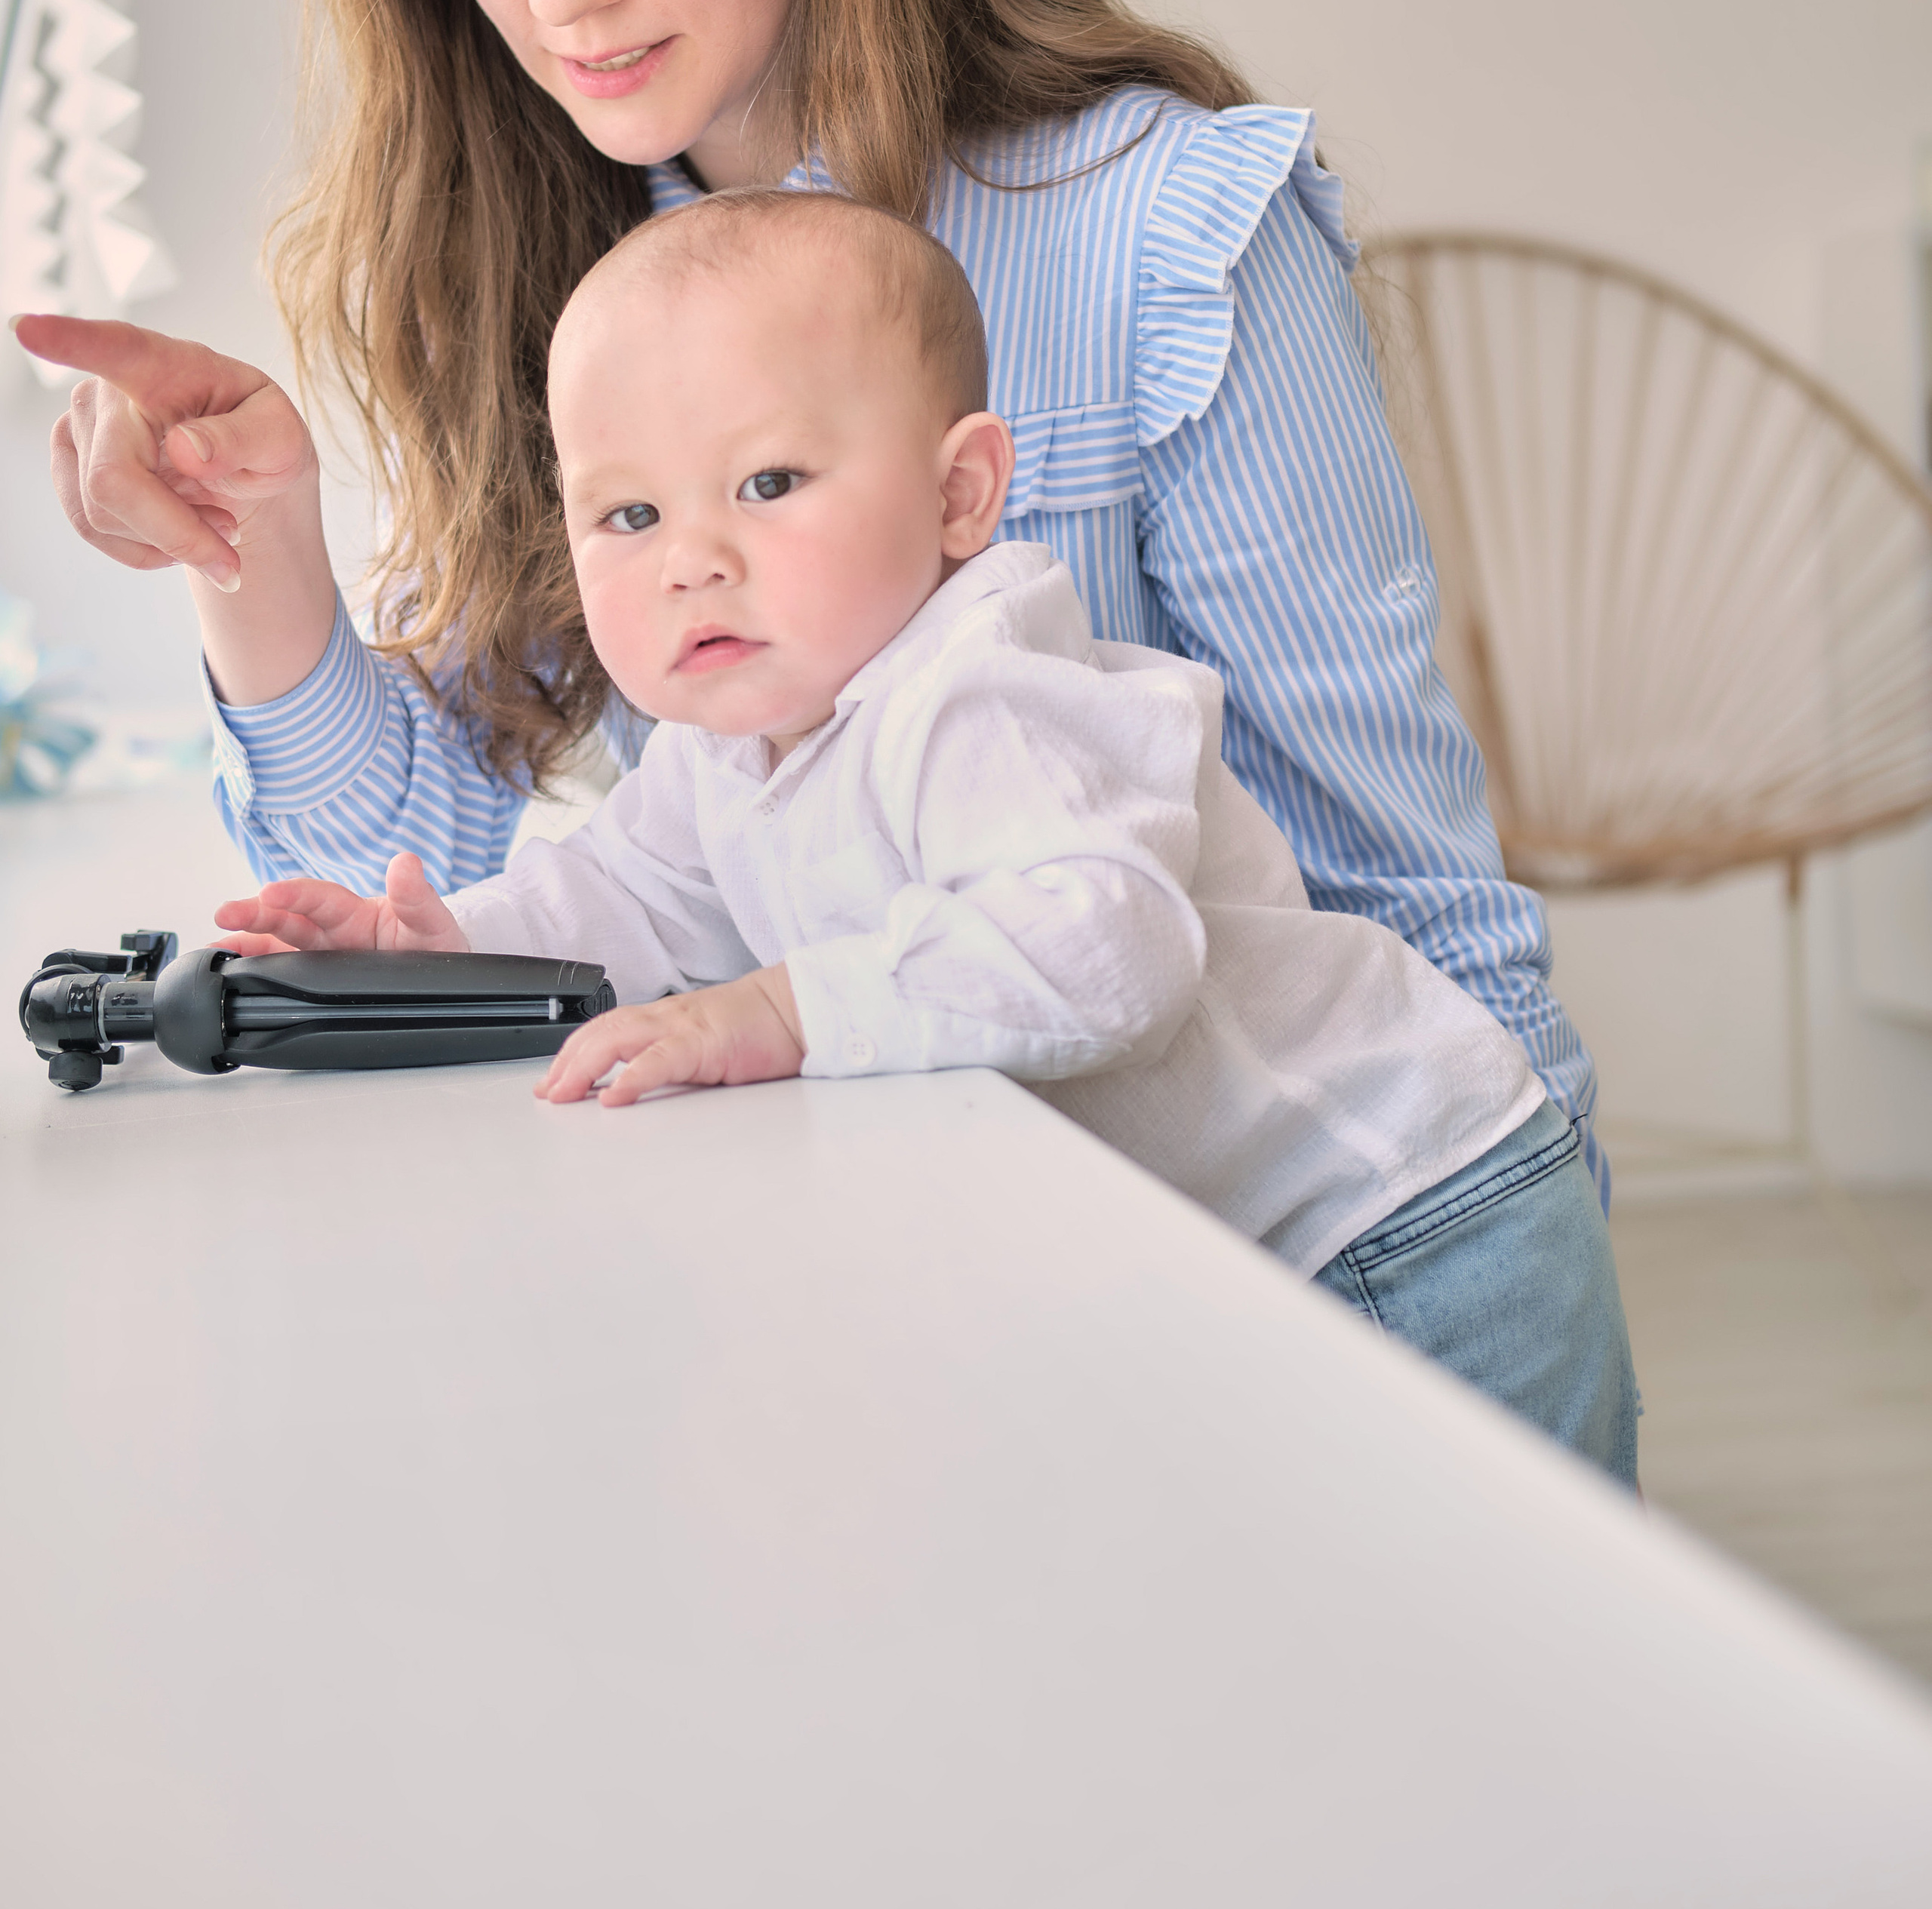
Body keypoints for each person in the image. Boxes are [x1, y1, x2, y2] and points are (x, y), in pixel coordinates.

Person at [14, 0, 1601, 1188]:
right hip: (908, 1251)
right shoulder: (554, 262)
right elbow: (427, 904)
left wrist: (1511, 1344)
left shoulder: (1167, 238)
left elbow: (1414, 915)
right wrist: (250, 545)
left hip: (1287, 1250)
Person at [213, 192, 1637, 1480]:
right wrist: (444, 944)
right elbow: (623, 895)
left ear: (959, 494)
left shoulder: (981, 691)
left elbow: (1110, 954)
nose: (692, 558)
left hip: (1406, 1224)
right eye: (629, 512)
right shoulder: (731, 741)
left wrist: (782, 1008)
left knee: (1496, 1637)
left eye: (769, 483)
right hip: (1238, 1247)